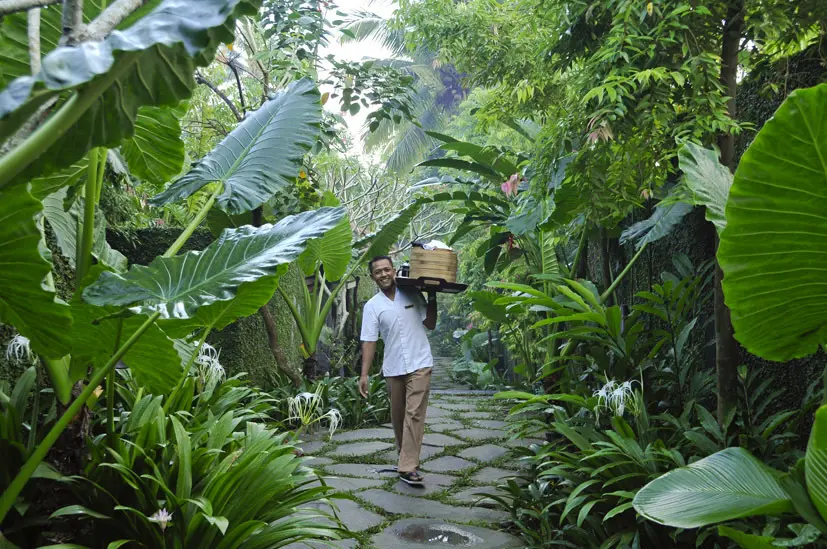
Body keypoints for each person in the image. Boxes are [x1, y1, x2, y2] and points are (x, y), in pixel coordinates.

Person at [359, 255, 437, 485]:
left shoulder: (412, 293)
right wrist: (364, 374)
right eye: (378, 272)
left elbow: (430, 323)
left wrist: (432, 296)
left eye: (386, 269)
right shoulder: (372, 306)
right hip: (394, 367)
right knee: (399, 416)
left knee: (414, 414)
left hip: (420, 361)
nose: (383, 274)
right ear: (372, 277)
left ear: (393, 271)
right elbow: (369, 340)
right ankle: (406, 457)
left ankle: (408, 467)